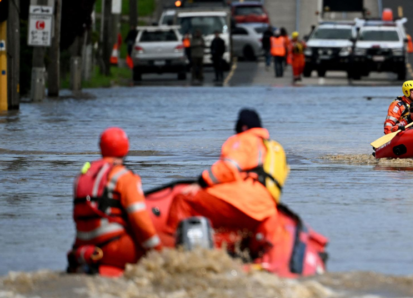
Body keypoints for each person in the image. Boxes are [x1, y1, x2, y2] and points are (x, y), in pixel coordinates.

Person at [168, 109, 288, 260]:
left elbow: (229, 168)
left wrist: (202, 182)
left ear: (243, 126)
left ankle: (169, 251)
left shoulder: (245, 139)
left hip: (242, 201)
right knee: (231, 230)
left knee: (183, 199)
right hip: (265, 209)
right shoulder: (272, 148)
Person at [69, 127, 162, 274]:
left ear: (101, 146)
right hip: (113, 247)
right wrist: (157, 251)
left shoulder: (82, 175)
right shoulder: (124, 176)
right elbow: (139, 218)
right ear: (126, 147)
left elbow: (77, 216)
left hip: (81, 249)